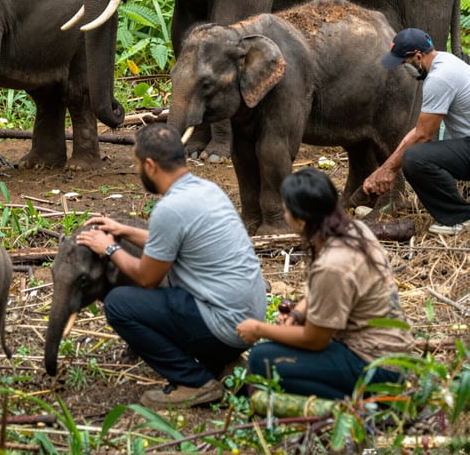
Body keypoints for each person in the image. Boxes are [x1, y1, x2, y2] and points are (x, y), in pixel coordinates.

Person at [76, 123, 266, 409]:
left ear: (150, 166)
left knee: (119, 304)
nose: (137, 170)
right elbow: (170, 243)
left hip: (224, 325)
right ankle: (223, 364)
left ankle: (194, 382)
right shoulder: (206, 190)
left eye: (137, 165)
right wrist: (123, 230)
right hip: (247, 318)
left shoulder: (170, 208)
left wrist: (110, 248)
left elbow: (147, 278)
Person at [237, 168, 413, 400]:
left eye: (286, 208)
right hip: (391, 355)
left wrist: (259, 329)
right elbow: (323, 296)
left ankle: (368, 403)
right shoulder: (353, 230)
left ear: (300, 220)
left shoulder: (332, 265)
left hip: (376, 366)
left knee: (261, 359)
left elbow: (315, 340)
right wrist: (298, 315)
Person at [363, 28, 470, 236]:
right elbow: (419, 131)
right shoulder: (446, 61)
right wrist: (386, 167)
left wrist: (388, 170)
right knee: (417, 153)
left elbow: (423, 135)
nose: (404, 68)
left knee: (415, 159)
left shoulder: (440, 78)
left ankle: (459, 217)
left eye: (404, 63)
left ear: (418, 57)